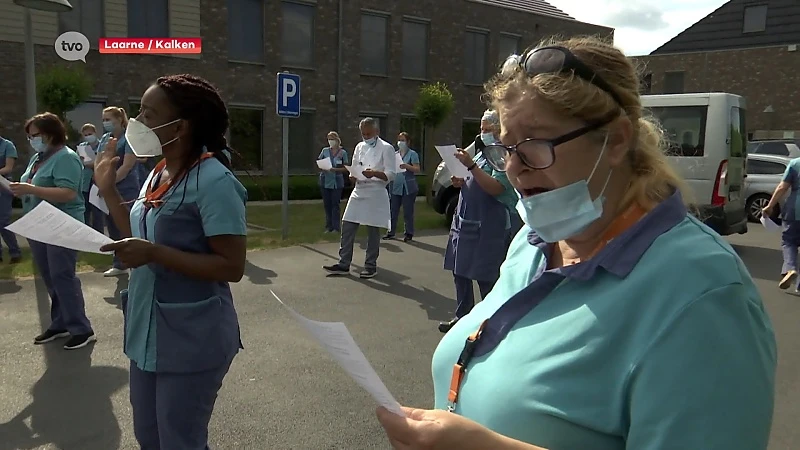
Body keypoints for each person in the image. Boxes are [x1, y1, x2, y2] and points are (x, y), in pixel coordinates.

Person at [376, 37, 777, 450]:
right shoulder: (533, 245)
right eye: (505, 146)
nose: (513, 168)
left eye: (535, 143)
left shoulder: (703, 295)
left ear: (616, 140)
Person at [93, 73, 246, 450]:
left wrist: (156, 254)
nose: (136, 122)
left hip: (192, 338)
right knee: (149, 437)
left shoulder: (214, 181)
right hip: (147, 332)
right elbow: (139, 231)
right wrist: (109, 190)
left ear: (180, 126)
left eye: (147, 113)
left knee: (180, 441)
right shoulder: (158, 172)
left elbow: (232, 266)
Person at [11, 113, 95, 350]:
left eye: (35, 135)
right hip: (39, 224)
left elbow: (68, 193)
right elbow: (33, 184)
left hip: (61, 223)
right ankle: (60, 322)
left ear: (50, 133)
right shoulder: (38, 158)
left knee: (62, 275)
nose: (31, 140)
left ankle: (81, 328)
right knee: (49, 275)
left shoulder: (66, 157)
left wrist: (31, 188)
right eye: (29, 136)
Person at [439, 109, 518, 333]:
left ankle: (490, 322)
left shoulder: (503, 156)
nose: (483, 133)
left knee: (486, 275)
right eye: (481, 129)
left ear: (499, 130)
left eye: (488, 129)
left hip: (489, 225)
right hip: (465, 221)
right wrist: (461, 180)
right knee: (460, 270)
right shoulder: (482, 154)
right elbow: (473, 179)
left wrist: (471, 167)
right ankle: (462, 317)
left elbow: (497, 187)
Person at [323, 117, 395, 278]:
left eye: (369, 134)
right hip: (359, 190)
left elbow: (391, 174)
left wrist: (374, 173)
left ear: (377, 131)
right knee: (347, 224)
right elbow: (354, 167)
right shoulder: (359, 146)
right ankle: (344, 263)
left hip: (376, 191)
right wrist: (353, 175)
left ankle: (370, 265)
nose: (366, 137)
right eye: (363, 134)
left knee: (372, 228)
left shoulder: (387, 148)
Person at [98, 106, 140, 277]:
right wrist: (101, 182)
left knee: (127, 226)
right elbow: (100, 161)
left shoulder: (128, 138)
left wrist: (109, 183)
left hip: (126, 188)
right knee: (113, 227)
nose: (105, 123)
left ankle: (135, 262)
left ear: (120, 120)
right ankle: (119, 264)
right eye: (103, 119)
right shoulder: (105, 139)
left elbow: (127, 165)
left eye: (108, 119)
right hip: (105, 189)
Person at [763, 158, 800, 291]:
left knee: (789, 242)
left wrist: (770, 206)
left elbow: (782, 187)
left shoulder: (795, 164)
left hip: (795, 209)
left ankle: (790, 269)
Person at [384, 132, 420, 242]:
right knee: (393, 210)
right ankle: (390, 232)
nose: (401, 142)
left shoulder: (413, 154)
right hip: (395, 186)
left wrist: (406, 166)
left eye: (403, 140)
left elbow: (417, 169)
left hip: (408, 187)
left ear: (408, 142)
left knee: (408, 212)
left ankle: (408, 233)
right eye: (399, 140)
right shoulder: (395, 155)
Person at [317, 131, 349, 233]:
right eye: (328, 139)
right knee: (327, 205)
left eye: (332, 139)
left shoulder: (342, 153)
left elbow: (346, 167)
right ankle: (328, 226)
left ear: (337, 140)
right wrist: (323, 167)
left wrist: (336, 170)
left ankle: (336, 227)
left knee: (335, 204)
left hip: (337, 182)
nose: (330, 141)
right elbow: (319, 162)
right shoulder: (325, 151)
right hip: (325, 180)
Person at [77, 123, 105, 232]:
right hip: (85, 182)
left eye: (90, 133)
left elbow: (101, 163)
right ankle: (86, 234)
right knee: (85, 211)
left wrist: (90, 163)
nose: (88, 136)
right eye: (86, 134)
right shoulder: (82, 147)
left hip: (97, 182)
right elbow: (80, 163)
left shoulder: (102, 145)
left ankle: (99, 234)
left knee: (97, 211)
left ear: (95, 133)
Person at [0, 134, 21, 263]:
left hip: (3, 185)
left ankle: (15, 252)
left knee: (3, 221)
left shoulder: (7, 145)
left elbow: (8, 168)